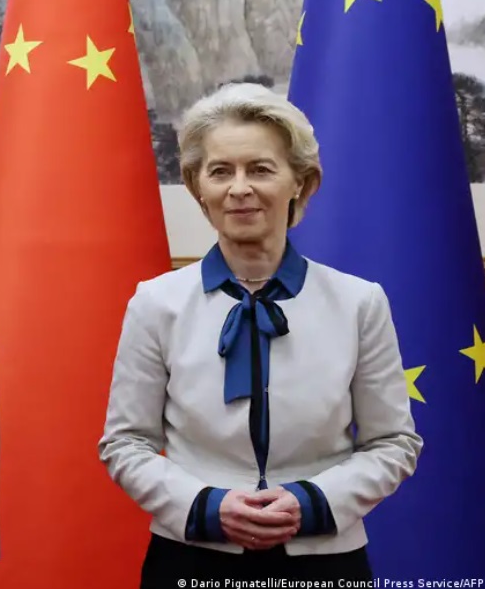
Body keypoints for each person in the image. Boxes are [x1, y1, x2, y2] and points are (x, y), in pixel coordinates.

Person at [98, 82, 423, 585]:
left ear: (301, 183)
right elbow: (126, 443)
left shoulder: (360, 302)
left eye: (261, 169)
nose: (239, 187)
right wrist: (209, 507)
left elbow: (393, 442)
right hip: (192, 558)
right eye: (220, 171)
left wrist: (311, 503)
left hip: (324, 559)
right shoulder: (155, 303)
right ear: (197, 186)